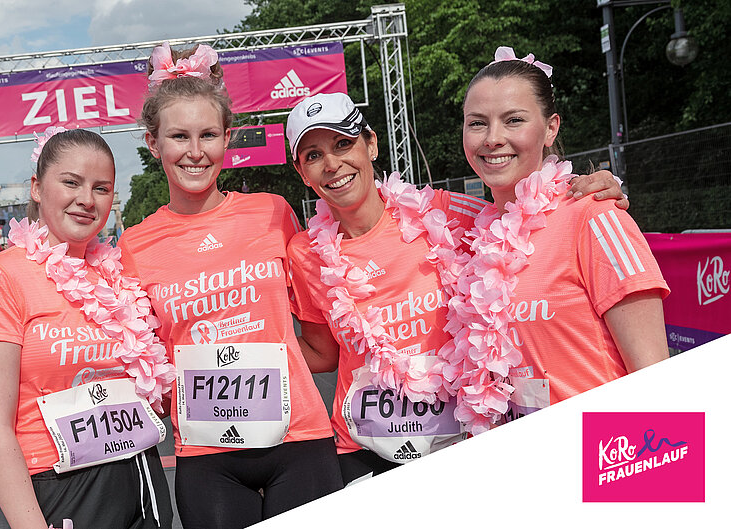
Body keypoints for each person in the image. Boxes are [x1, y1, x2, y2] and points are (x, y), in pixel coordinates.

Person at [284, 92, 631, 484]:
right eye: (312, 156)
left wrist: (586, 188)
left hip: (460, 441)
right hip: (363, 449)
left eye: (343, 144)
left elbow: (524, 212)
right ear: (301, 172)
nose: (332, 164)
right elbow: (322, 352)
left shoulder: (439, 213)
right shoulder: (304, 252)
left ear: (372, 143)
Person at [117, 43, 342, 528]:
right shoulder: (134, 245)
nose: (195, 152)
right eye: (179, 136)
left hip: (299, 437)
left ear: (228, 138)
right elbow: (146, 360)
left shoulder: (273, 212)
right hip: (206, 452)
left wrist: (269, 354)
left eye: (208, 135)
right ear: (153, 143)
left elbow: (318, 330)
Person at [0, 128, 175, 528]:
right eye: (71, 182)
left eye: (101, 188)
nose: (86, 200)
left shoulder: (117, 275)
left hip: (140, 472)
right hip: (57, 483)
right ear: (38, 188)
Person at [444, 46, 669, 433]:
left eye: (513, 120)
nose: (492, 138)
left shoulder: (594, 214)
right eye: (477, 123)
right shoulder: (474, 238)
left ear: (551, 129)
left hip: (603, 463)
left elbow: (659, 385)